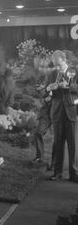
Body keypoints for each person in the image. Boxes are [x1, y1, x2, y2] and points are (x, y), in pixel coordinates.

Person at [47, 50, 78, 182]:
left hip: (71, 110)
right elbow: (45, 88)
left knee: (73, 144)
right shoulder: (53, 73)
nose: (53, 61)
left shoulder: (74, 71)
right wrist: (49, 88)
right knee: (58, 143)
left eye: (55, 59)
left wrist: (68, 86)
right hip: (57, 111)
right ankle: (57, 172)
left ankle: (74, 173)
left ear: (62, 58)